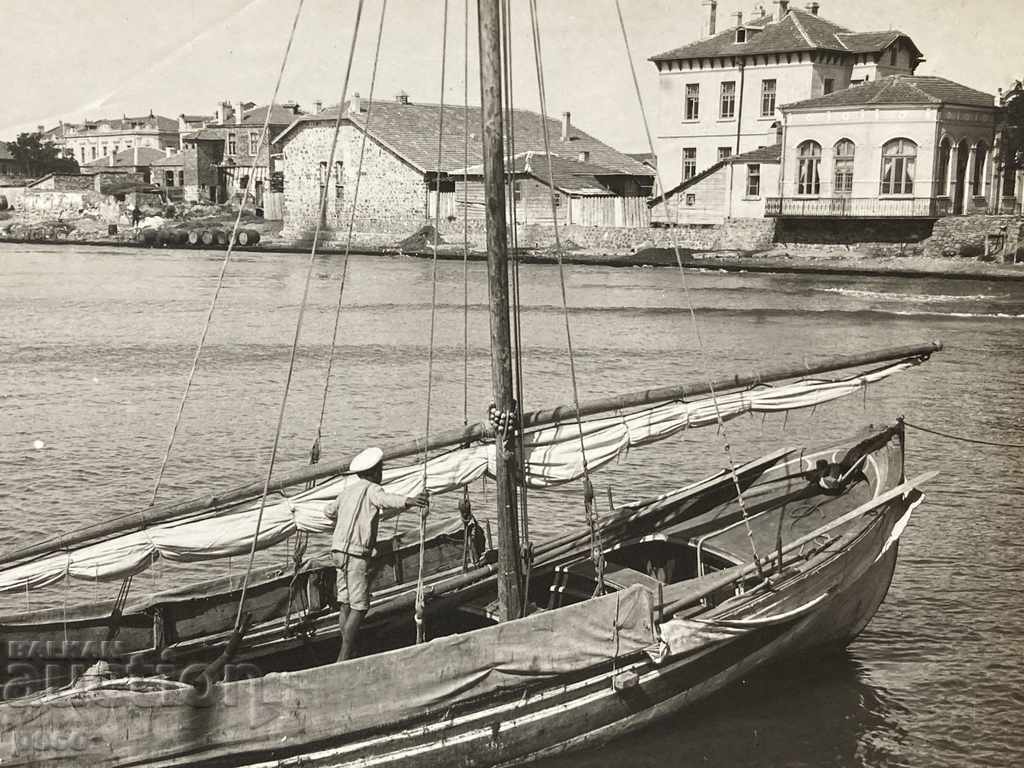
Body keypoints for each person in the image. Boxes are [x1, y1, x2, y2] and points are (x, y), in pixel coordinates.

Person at [324, 446, 427, 662]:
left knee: (345, 603)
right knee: (360, 607)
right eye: (380, 470)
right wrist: (410, 501)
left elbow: (328, 512)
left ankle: (348, 649)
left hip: (337, 551)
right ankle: (343, 657)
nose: (381, 474)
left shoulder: (346, 492)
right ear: (373, 472)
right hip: (355, 554)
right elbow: (385, 500)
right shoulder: (372, 489)